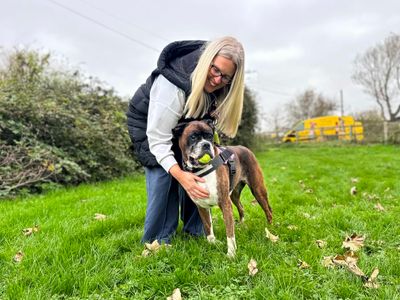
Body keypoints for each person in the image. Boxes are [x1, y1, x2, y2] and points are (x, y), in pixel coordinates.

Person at [127, 36, 245, 244]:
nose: (217, 80)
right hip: (151, 127)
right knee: (164, 179)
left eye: (225, 77)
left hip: (185, 125)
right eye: (215, 70)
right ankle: (158, 241)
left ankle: (196, 232)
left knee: (199, 169)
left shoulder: (220, 88)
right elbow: (158, 140)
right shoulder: (171, 87)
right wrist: (180, 175)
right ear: (206, 61)